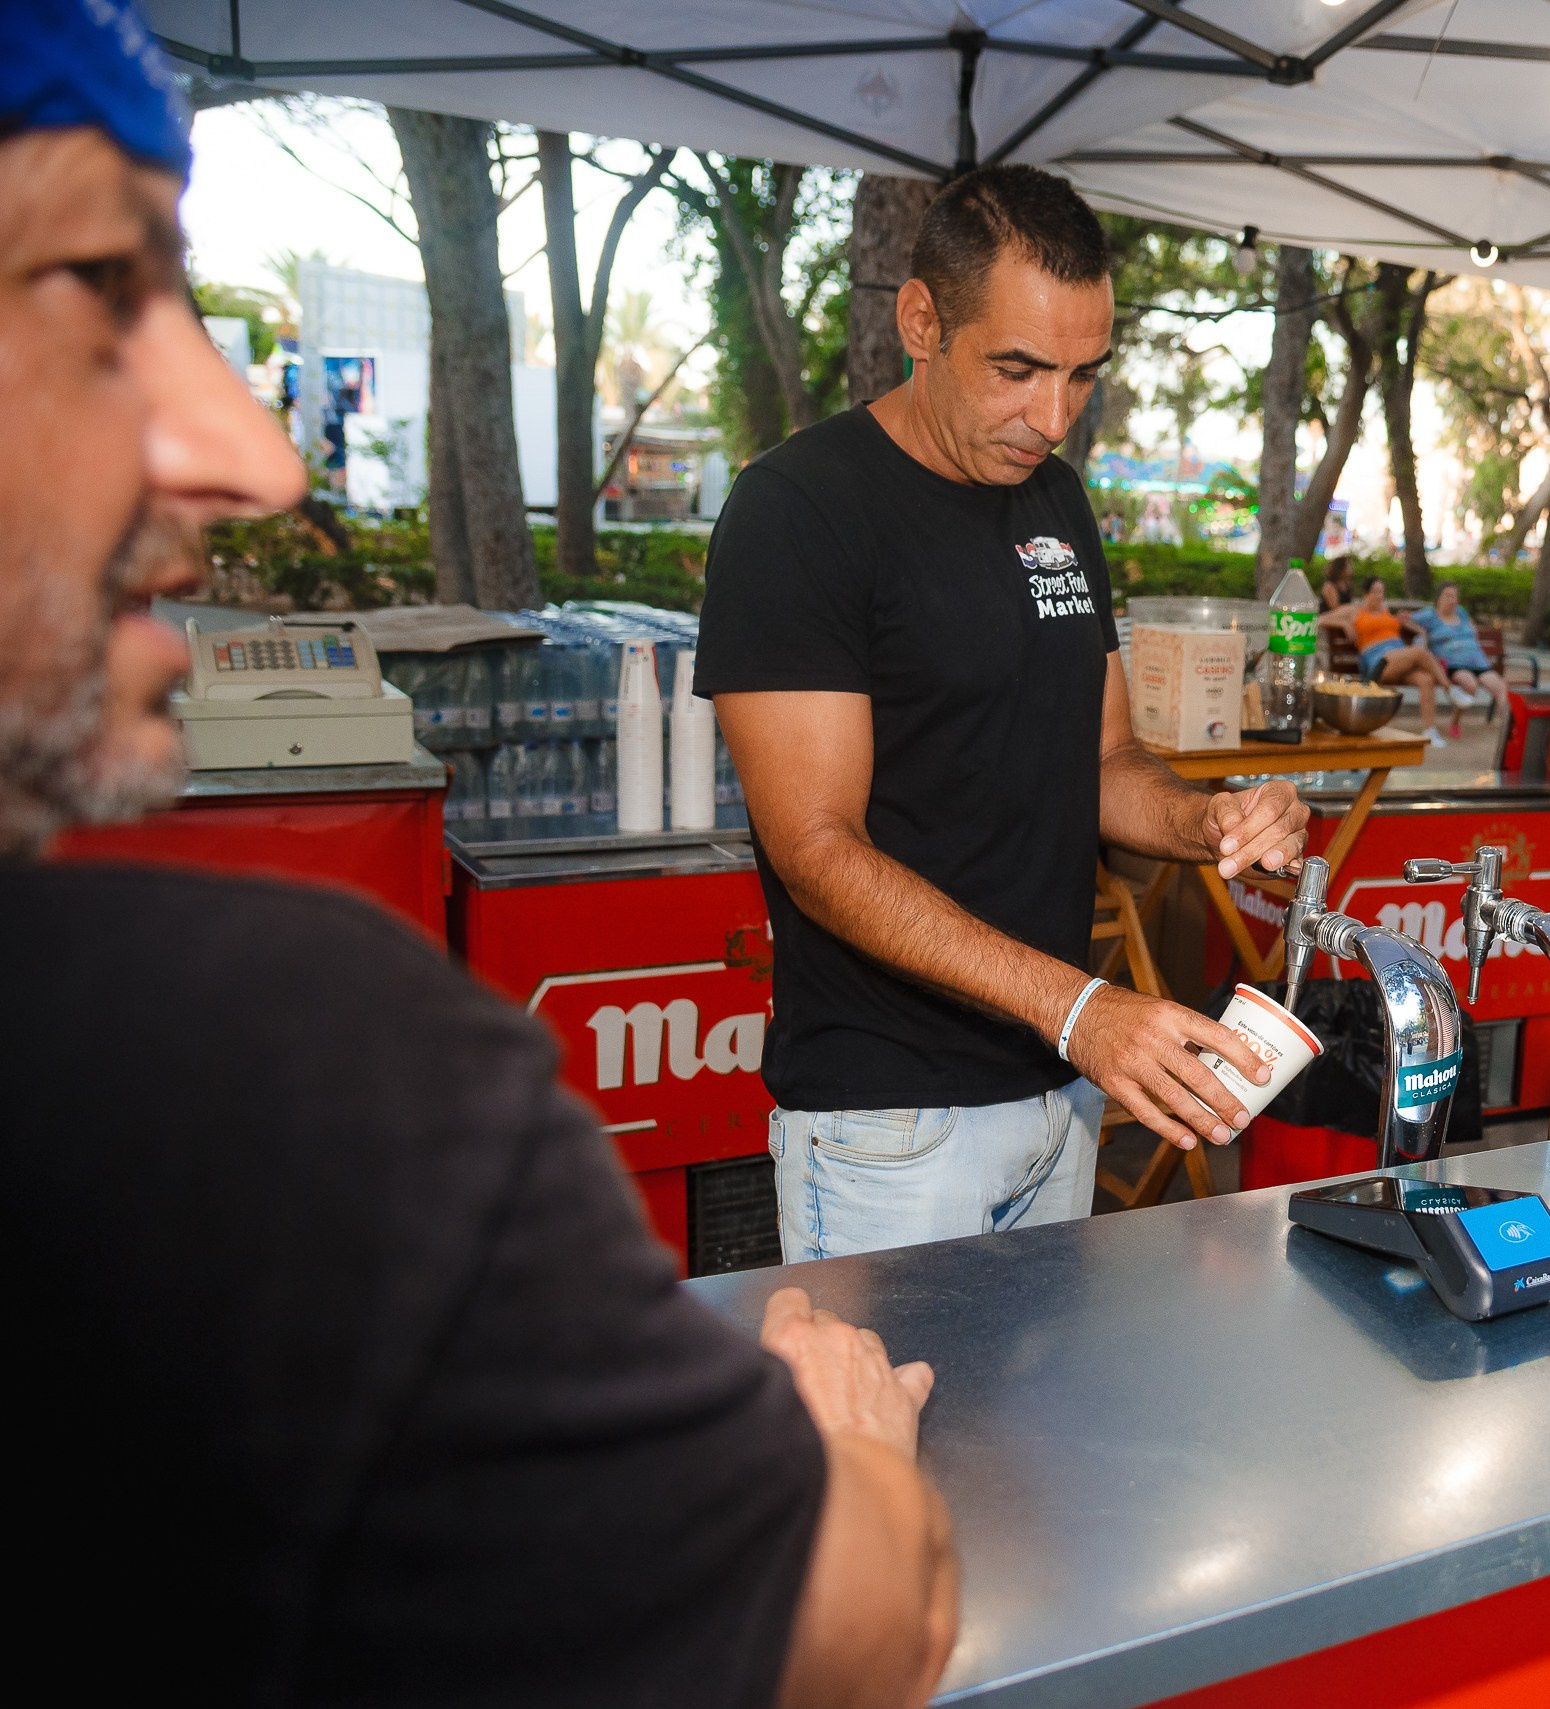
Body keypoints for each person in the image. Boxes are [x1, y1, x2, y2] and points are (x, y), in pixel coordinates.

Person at [0, 9, 953, 1706]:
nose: (248, 452)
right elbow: (858, 1628)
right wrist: (854, 1438)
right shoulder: (263, 1072)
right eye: (95, 292)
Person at [699, 166, 1309, 1261]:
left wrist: (1209, 820)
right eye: (1018, 368)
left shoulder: (1054, 496)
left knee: (1028, 1437)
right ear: (921, 320)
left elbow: (1106, 757)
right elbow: (816, 848)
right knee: (890, 1437)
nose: (1052, 415)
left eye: (1082, 375)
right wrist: (1079, 1006)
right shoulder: (799, 509)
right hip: (890, 1114)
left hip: (1059, 1086)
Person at [1318, 574, 1453, 741]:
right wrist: (1343, 623)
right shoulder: (1353, 610)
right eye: (1375, 592)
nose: (1379, 596)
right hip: (1378, 662)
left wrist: (1408, 624)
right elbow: (1319, 619)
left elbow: (1403, 630)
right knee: (1419, 653)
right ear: (1365, 593)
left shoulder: (1386, 610)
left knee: (1425, 679)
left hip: (1399, 657)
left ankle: (1430, 730)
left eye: (1382, 592)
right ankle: (1450, 688)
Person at [1410, 581, 1499, 716]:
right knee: (1470, 684)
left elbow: (1471, 628)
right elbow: (1404, 619)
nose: (1452, 600)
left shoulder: (1461, 612)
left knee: (1501, 687)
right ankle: (1455, 719)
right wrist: (1420, 631)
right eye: (1448, 596)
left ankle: (1510, 730)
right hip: (1452, 664)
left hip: (1478, 662)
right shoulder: (1430, 614)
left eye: (1455, 596)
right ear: (1438, 597)